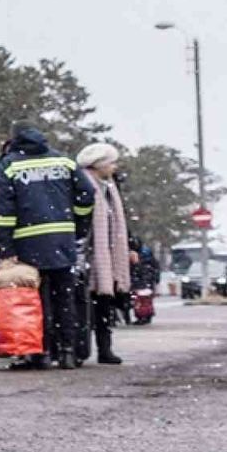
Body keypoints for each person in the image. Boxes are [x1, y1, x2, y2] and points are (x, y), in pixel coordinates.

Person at [0, 122, 95, 370]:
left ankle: (39, 352)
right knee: (64, 298)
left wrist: (5, 250)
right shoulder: (64, 162)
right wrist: (78, 226)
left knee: (34, 301)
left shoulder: (8, 165)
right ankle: (67, 351)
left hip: (27, 243)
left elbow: (1, 212)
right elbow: (87, 194)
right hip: (63, 241)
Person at [76, 143, 129, 365]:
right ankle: (84, 347)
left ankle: (105, 348)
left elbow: (116, 223)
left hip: (105, 255)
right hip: (88, 255)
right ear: (99, 165)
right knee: (87, 304)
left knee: (104, 302)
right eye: (111, 163)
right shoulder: (84, 185)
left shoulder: (109, 188)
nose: (115, 167)